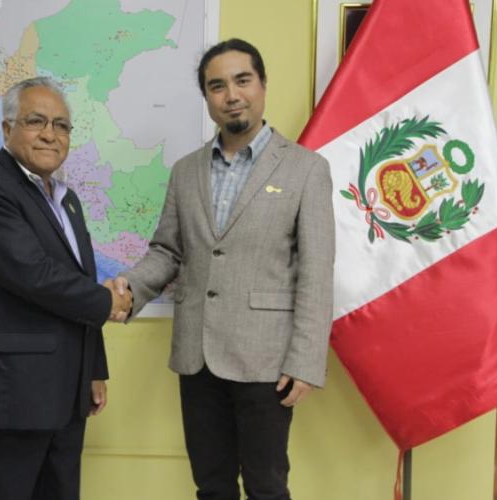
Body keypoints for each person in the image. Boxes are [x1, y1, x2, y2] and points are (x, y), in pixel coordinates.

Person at [114, 39, 335, 500]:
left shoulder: (306, 169)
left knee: (266, 487)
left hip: (266, 361)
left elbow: (316, 271)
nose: (231, 95)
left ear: (263, 85)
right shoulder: (185, 171)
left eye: (242, 80)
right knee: (211, 486)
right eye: (217, 86)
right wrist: (129, 289)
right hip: (197, 357)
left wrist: (306, 361)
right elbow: (167, 251)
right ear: (207, 97)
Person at [0, 76, 132, 500]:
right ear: (7, 129)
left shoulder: (66, 199)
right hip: (16, 393)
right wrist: (107, 300)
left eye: (61, 125)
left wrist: (93, 369)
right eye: (36, 121)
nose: (51, 134)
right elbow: (32, 273)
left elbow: (77, 281)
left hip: (68, 393)